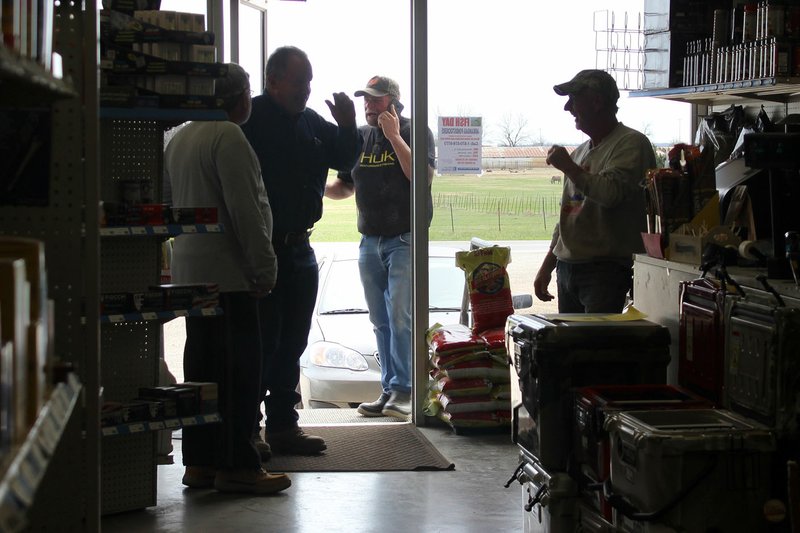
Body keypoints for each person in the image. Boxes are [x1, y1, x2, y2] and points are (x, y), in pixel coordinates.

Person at [164, 63, 290, 494]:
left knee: (202, 369)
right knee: (240, 373)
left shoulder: (181, 136)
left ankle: (200, 462)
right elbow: (246, 211)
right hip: (229, 275)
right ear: (238, 98)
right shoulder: (228, 135)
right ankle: (238, 464)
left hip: (191, 272)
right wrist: (264, 267)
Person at [240, 46, 361, 455]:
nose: (306, 90)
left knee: (292, 342)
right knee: (261, 342)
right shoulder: (249, 121)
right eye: (298, 81)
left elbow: (346, 158)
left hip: (300, 249)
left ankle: (283, 428)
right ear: (272, 81)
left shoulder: (312, 124)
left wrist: (348, 124)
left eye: (310, 81)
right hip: (260, 249)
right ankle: (247, 431)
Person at [325, 76, 435, 418]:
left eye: (375, 99)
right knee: (380, 320)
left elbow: (422, 178)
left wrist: (395, 137)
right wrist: (312, 186)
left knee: (401, 316)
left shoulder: (415, 131)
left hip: (403, 239)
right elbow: (346, 186)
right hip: (369, 241)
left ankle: (406, 391)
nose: (368, 105)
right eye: (366, 100)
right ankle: (389, 389)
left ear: (394, 102)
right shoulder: (360, 136)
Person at [533, 69, 656, 313]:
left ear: (597, 102)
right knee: (573, 349)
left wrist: (569, 168)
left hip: (604, 271)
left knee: (595, 347)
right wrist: (548, 264)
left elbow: (611, 194)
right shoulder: (580, 152)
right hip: (568, 268)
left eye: (574, 99)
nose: (568, 107)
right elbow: (569, 214)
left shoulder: (631, 144)